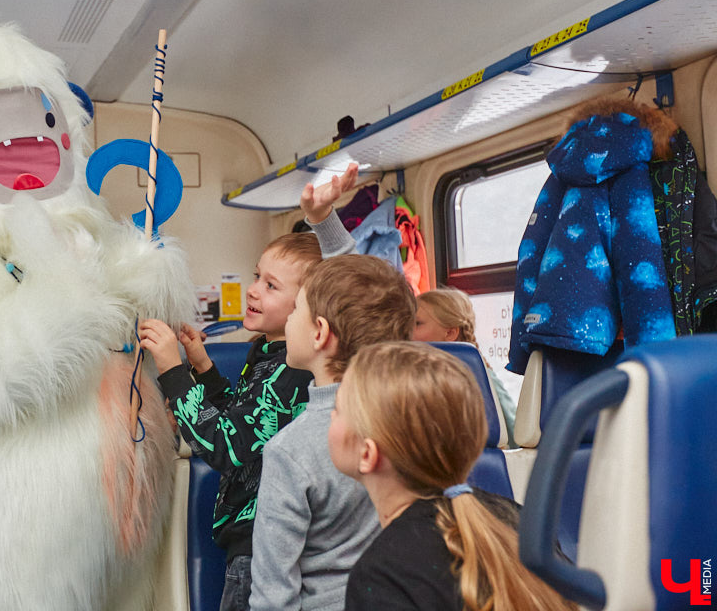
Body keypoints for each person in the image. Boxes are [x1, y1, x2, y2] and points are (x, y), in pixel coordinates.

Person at [138, 165, 359, 611]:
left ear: (312, 313)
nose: (253, 291)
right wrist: (203, 369)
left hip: (262, 547)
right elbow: (243, 420)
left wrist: (172, 371)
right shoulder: (268, 353)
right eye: (257, 276)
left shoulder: (295, 371)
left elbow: (227, 446)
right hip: (250, 540)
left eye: (271, 286)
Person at [331, 342, 577, 611]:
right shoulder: (519, 521)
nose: (331, 415)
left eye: (337, 409)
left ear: (367, 454)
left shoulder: (382, 577)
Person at [249, 253, 416, 611]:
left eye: (296, 310)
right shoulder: (412, 424)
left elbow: (273, 595)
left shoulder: (289, 450)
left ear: (320, 333)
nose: (289, 319)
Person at [412, 288, 516, 445]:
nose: (407, 331)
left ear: (450, 333)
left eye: (417, 324)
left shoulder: (481, 377)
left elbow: (514, 434)